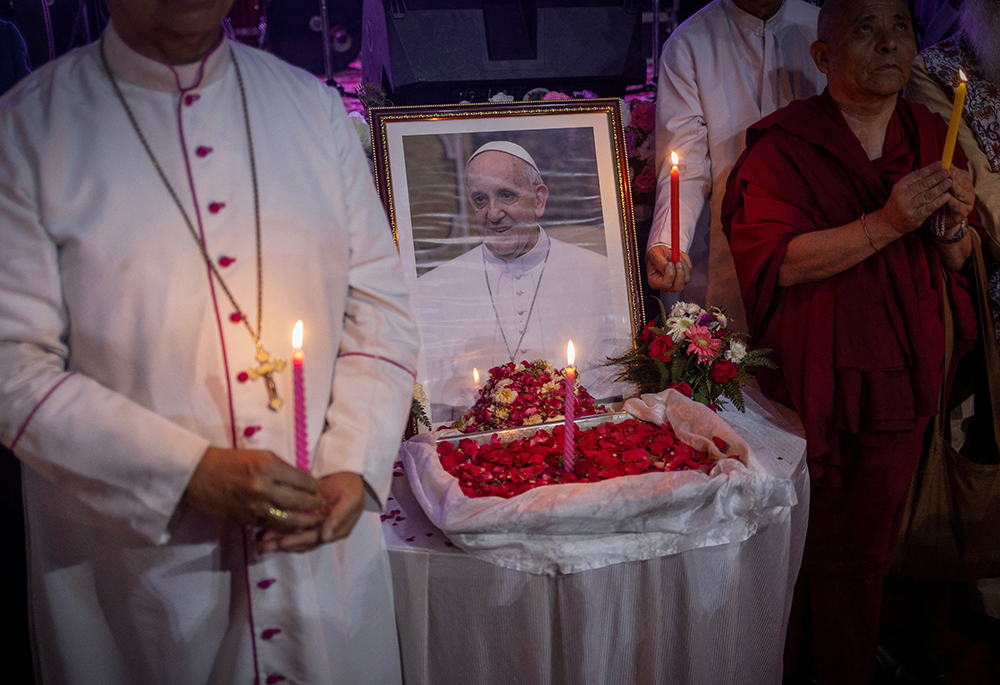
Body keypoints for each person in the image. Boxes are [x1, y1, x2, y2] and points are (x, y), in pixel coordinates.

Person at [0, 0, 419, 683]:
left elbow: (379, 309)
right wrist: (184, 470)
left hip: (322, 547)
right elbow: (13, 369)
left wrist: (354, 462)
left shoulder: (312, 111)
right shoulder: (25, 130)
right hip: (144, 573)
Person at [722, 0, 978, 681]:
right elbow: (780, 259)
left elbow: (955, 257)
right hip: (818, 383)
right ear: (823, 56)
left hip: (904, 376)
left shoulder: (928, 131)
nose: (889, 42)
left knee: (866, 553)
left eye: (899, 26)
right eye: (865, 28)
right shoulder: (785, 144)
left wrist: (953, 228)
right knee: (825, 553)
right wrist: (887, 222)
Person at [646, 0, 826, 328]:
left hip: (818, 239)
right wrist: (667, 243)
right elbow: (684, 163)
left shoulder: (822, 26)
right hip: (726, 244)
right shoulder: (690, 42)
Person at [417, 141, 621, 423]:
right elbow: (433, 409)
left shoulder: (601, 275)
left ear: (539, 200)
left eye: (506, 195)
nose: (493, 213)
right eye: (480, 200)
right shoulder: (432, 291)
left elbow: (615, 396)